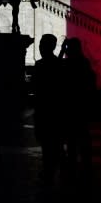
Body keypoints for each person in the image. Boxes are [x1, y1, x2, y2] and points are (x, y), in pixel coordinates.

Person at [59, 37, 96, 184]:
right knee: (83, 137)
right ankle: (86, 166)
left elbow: (56, 68)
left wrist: (62, 50)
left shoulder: (68, 64)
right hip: (81, 107)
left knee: (72, 140)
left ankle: (73, 167)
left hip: (70, 107)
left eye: (69, 48)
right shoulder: (84, 63)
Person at [31, 34, 64, 185]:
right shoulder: (58, 64)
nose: (40, 47)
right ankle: (57, 169)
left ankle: (50, 170)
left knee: (48, 143)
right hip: (54, 110)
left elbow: (34, 86)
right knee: (54, 143)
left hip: (44, 109)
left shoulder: (40, 65)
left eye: (41, 45)